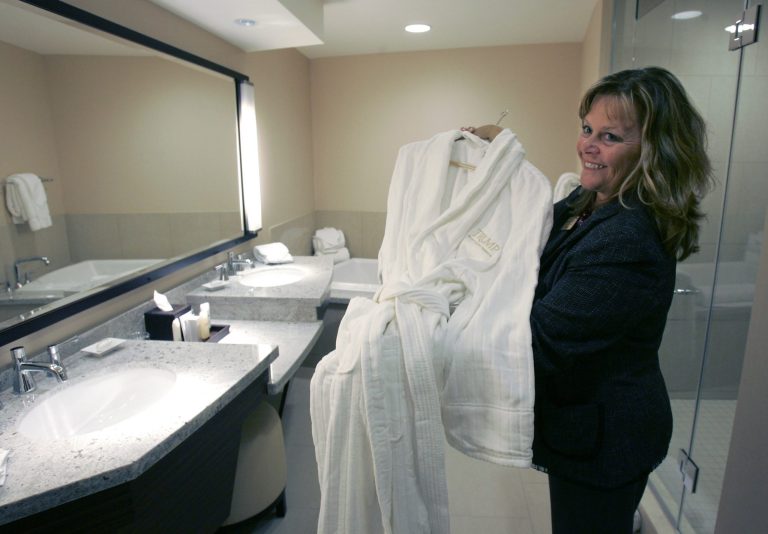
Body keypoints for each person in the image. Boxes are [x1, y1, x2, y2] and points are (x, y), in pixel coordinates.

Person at [466, 66, 713, 533]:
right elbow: (529, 223)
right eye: (586, 129)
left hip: (607, 438)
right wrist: (496, 148)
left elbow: (541, 342)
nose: (588, 145)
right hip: (585, 423)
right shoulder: (590, 200)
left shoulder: (627, 238)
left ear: (653, 149)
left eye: (610, 136)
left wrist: (443, 336)